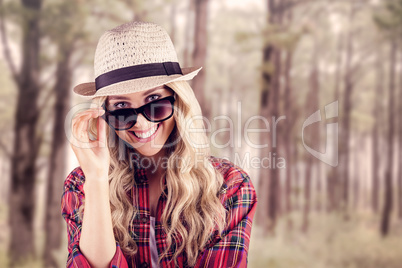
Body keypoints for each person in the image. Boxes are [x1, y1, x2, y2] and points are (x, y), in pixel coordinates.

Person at [62, 21, 257, 268]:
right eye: (122, 107)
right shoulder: (81, 185)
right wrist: (98, 179)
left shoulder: (230, 185)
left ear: (178, 100)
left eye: (154, 100)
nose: (141, 123)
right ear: (104, 115)